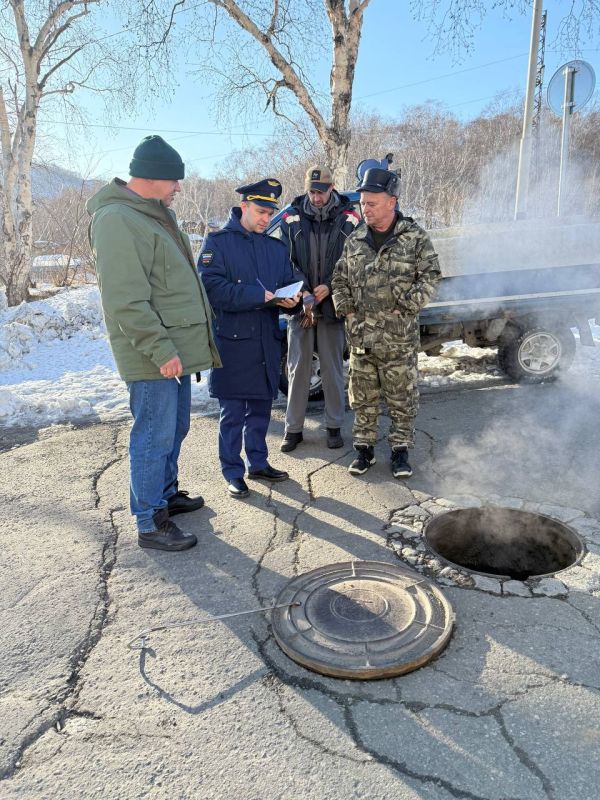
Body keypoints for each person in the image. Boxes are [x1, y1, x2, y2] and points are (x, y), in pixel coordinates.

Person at [87, 135, 221, 551]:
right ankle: (150, 521)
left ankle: (165, 494)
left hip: (174, 350)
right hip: (153, 354)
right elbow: (125, 300)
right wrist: (161, 350)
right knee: (152, 435)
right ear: (152, 176)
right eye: (174, 180)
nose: (179, 188)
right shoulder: (116, 219)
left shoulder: (152, 213)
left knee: (175, 427)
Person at [331, 167, 441, 479]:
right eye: (363, 203)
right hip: (361, 339)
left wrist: (405, 307)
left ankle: (400, 451)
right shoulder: (355, 241)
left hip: (398, 339)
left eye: (372, 203)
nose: (365, 209)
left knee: (402, 398)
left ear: (392, 202)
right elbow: (339, 279)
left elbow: (431, 277)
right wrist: (347, 310)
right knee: (363, 398)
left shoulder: (414, 238)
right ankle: (363, 451)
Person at [199, 179, 302, 499]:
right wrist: (260, 295)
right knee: (232, 414)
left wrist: (294, 297)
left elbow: (290, 280)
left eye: (270, 213)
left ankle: (258, 462)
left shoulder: (275, 247)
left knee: (260, 409)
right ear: (243, 207)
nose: (265, 219)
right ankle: (232, 471)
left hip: (265, 341)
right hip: (233, 341)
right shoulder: (218, 242)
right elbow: (212, 289)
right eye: (259, 211)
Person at [275, 165, 361, 452]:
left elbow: (354, 261)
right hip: (301, 306)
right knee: (297, 368)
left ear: (332, 188)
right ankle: (293, 429)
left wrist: (330, 286)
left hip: (333, 306)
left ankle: (334, 427)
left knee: (333, 370)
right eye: (312, 191)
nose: (316, 197)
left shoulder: (350, 218)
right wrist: (305, 289)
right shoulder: (290, 217)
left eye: (321, 192)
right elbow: (283, 261)